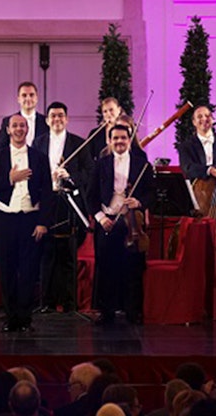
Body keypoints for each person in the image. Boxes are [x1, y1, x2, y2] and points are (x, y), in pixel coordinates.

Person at [0, 114, 53, 332]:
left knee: (29, 271)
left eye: (22, 125)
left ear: (27, 129)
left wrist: (43, 222)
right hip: (5, 220)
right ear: (8, 130)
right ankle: (11, 318)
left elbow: (47, 192)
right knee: (8, 270)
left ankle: (25, 318)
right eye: (15, 126)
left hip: (31, 219)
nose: (19, 129)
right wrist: (10, 179)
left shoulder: (39, 157)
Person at [88, 123, 152, 325]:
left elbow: (151, 194)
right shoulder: (101, 164)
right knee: (106, 268)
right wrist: (101, 218)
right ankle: (106, 311)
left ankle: (133, 311)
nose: (119, 142)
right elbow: (90, 196)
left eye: (123, 138)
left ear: (129, 140)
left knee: (132, 268)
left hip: (131, 223)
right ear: (109, 141)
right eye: (115, 138)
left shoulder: (143, 164)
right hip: (107, 221)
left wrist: (139, 202)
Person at [32, 101, 92, 312]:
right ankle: (47, 302)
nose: (57, 119)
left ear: (67, 119)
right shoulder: (38, 144)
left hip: (69, 203)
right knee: (47, 254)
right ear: (47, 120)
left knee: (68, 254)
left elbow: (89, 173)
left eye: (61, 116)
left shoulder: (79, 143)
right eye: (53, 116)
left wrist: (71, 176)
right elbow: (32, 173)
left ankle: (69, 303)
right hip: (47, 202)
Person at [179, 105, 216, 182]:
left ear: (213, 119)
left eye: (207, 116)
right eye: (200, 116)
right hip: (198, 191)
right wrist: (210, 170)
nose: (204, 119)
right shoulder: (186, 146)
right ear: (194, 122)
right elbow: (188, 168)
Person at [0, 82, 49, 149]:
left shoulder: (46, 122)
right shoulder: (8, 121)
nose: (28, 98)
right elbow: (0, 148)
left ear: (37, 98)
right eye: (24, 95)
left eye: (31, 95)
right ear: (18, 99)